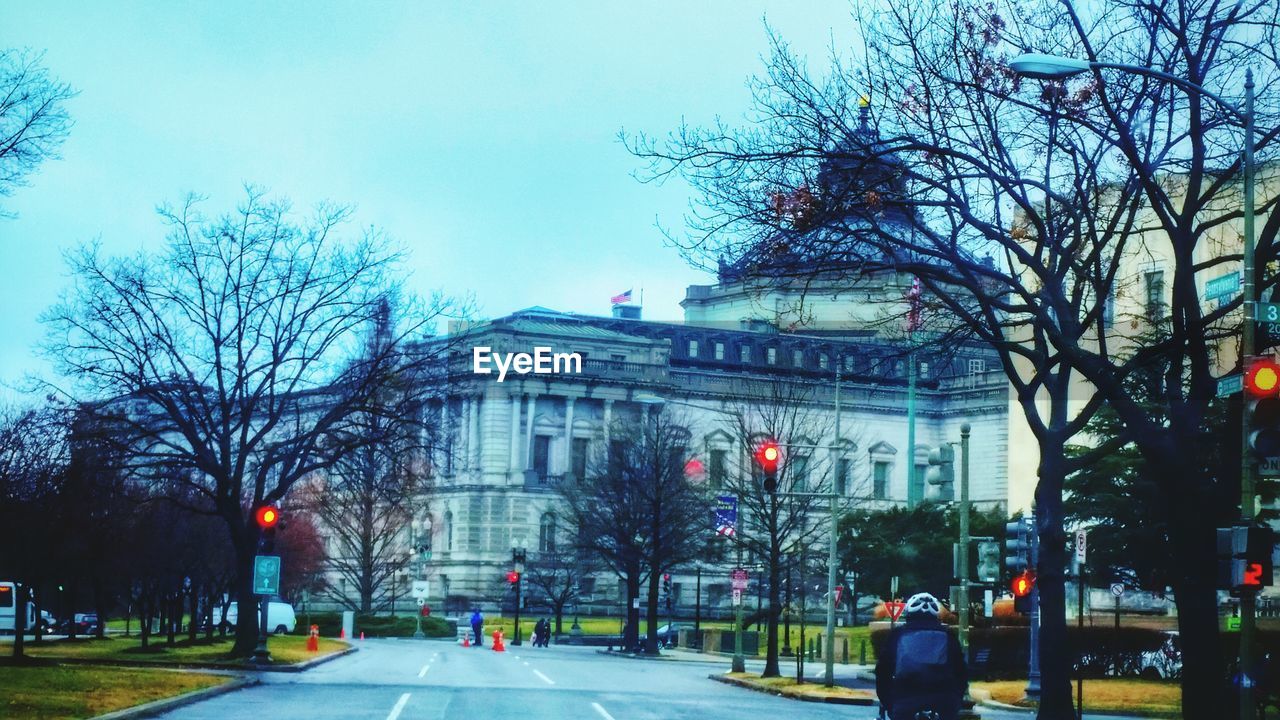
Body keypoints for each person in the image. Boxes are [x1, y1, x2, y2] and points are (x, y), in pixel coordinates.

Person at [874, 592, 967, 720]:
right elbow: (961, 671)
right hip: (943, 699)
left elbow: (883, 671)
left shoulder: (898, 634)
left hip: (905, 699)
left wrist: (888, 702)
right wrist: (957, 700)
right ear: (936, 615)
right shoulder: (948, 635)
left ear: (909, 613)